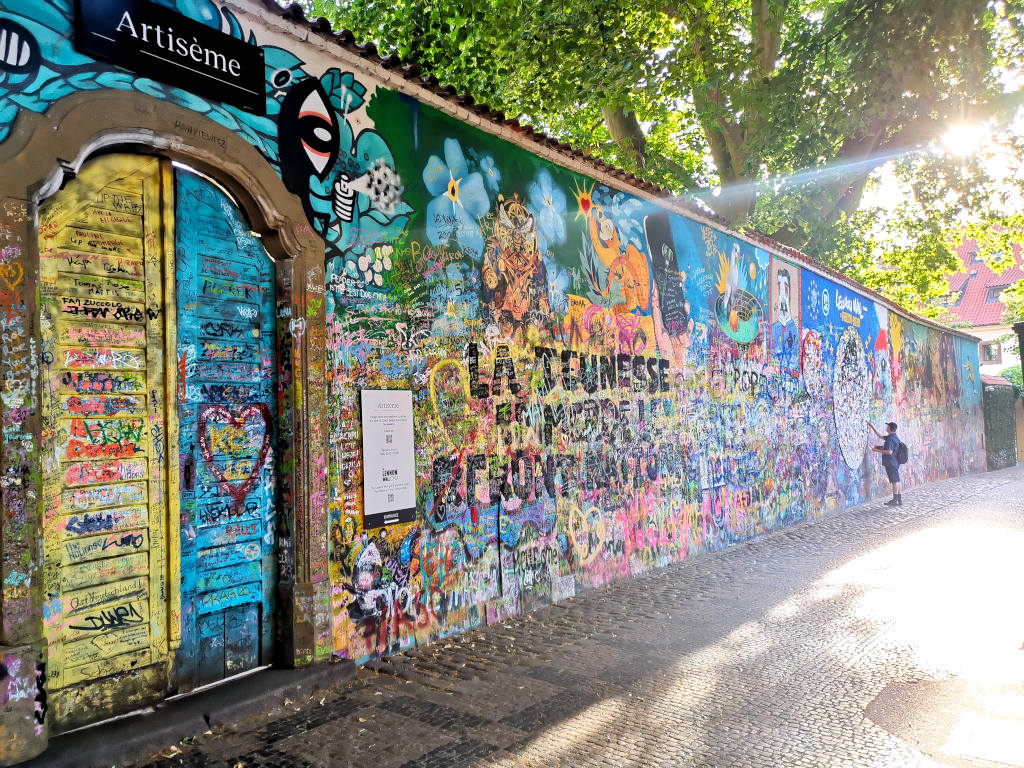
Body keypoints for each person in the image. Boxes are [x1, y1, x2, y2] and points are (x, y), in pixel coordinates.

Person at [868, 421, 902, 506]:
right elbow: (880, 436)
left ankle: (895, 500)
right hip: (895, 462)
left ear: (890, 429)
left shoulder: (890, 439)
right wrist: (872, 426)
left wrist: (877, 450)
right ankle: (898, 499)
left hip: (891, 462)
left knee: (895, 481)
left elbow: (889, 452)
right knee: (897, 480)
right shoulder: (894, 437)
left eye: (887, 427)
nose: (886, 428)